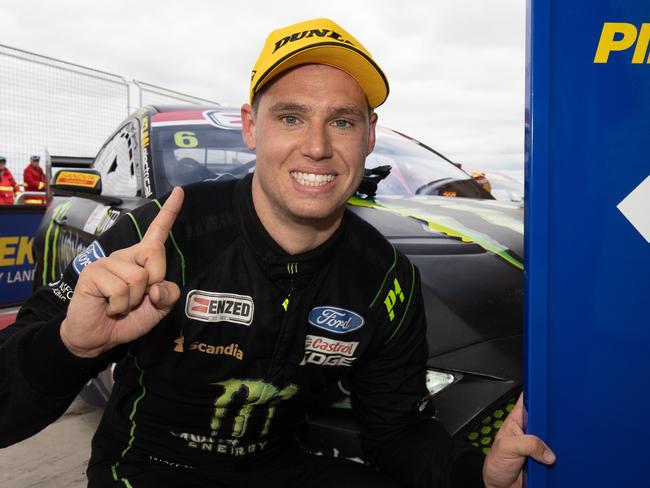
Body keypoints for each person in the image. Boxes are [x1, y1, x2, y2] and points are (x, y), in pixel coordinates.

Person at [0, 18, 554, 487]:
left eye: (342, 121)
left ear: (368, 135)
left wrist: (479, 476)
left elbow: (399, 433)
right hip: (149, 467)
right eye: (290, 117)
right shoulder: (160, 231)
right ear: (251, 127)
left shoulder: (387, 277)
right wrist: (70, 345)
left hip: (279, 466)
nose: (316, 146)